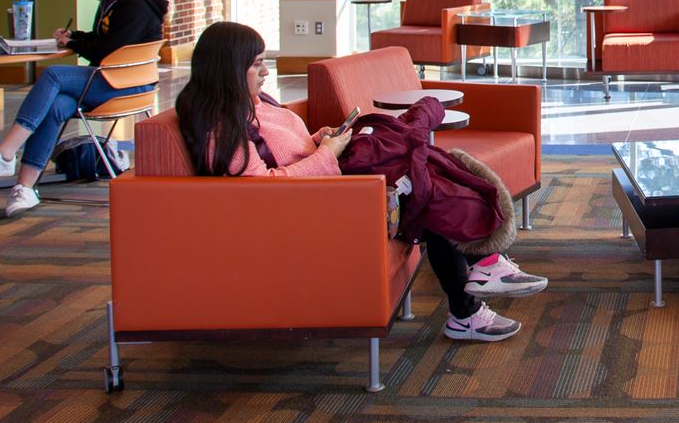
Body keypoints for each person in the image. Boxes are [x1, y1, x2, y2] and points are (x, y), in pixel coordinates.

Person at [175, 22, 545, 342]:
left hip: (329, 180)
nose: (265, 72)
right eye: (256, 65)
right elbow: (262, 189)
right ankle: (479, 279)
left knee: (424, 179)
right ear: (229, 68)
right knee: (422, 180)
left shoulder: (254, 103)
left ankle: (472, 298)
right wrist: (327, 154)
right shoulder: (223, 129)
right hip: (316, 202)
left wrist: (321, 138)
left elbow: (287, 147)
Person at [0, 0, 168, 217]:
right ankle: (25, 187)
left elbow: (108, 50)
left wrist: (75, 43)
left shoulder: (136, 5)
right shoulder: (116, 3)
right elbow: (107, 41)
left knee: (53, 74)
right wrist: (75, 36)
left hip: (123, 86)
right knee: (57, 104)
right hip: (115, 80)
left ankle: (5, 153)